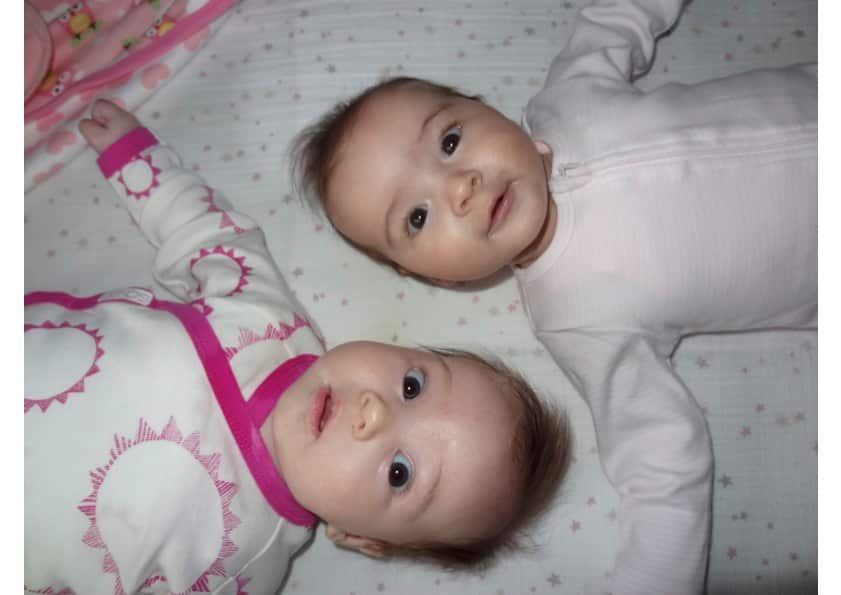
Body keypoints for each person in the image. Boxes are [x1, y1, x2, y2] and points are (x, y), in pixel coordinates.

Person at [289, 0, 817, 593]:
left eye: (451, 139)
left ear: (486, 109)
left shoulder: (567, 97)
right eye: (416, 217)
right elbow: (663, 460)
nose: (458, 188)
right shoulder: (579, 316)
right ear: (440, 279)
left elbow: (621, 16)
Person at [24, 100, 569, 595]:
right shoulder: (266, 321)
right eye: (411, 386)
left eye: (399, 473)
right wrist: (135, 158)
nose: (375, 413)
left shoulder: (243, 566)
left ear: (359, 538)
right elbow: (209, 234)